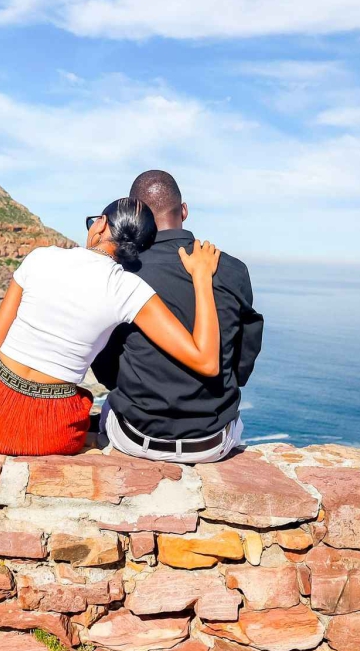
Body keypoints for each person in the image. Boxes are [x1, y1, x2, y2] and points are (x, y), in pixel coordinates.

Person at [0, 196, 223, 456]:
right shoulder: (126, 289)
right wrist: (201, 277)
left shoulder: (39, 258)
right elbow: (206, 362)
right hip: (51, 431)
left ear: (100, 225)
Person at [93, 170, 263, 463]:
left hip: (134, 437)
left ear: (137, 215)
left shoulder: (120, 272)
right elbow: (244, 356)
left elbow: (104, 361)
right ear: (183, 211)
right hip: (211, 441)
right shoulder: (233, 270)